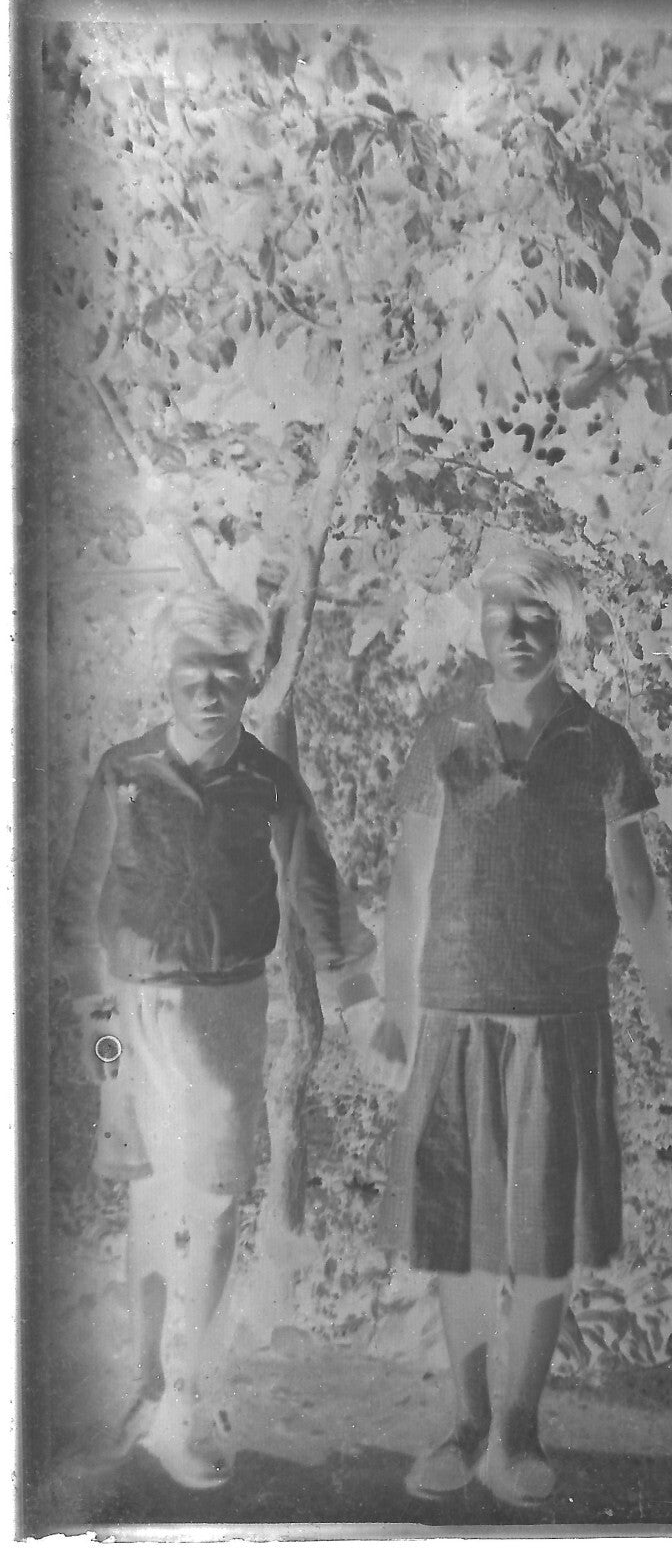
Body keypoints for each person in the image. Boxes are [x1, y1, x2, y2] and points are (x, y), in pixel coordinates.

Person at [368, 545, 672, 1509]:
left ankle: (520, 1426)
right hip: (458, 1019)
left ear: (567, 628)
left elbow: (638, 894)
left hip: (562, 1022)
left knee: (543, 1237)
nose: (517, 630)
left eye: (538, 614)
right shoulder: (444, 736)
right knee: (459, 1237)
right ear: (478, 625)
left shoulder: (601, 746)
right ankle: (468, 1418)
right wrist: (397, 1014)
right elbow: (405, 888)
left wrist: (668, 1014)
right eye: (501, 613)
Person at [55, 588, 378, 1490]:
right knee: (147, 1207)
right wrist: (102, 1046)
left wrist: (355, 995)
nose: (209, 686)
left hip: (227, 1016)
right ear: (164, 672)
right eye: (192, 667)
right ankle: (148, 1386)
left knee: (213, 1203)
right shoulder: (123, 771)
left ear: (249, 679)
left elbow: (317, 891)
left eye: (229, 671)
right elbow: (75, 913)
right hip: (127, 1020)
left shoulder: (270, 781)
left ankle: (193, 1396)